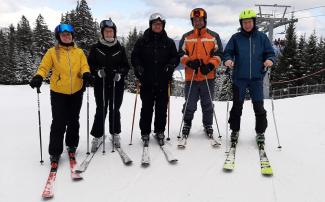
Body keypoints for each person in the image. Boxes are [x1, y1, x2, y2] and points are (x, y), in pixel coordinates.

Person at [29, 23, 92, 163]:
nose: (66, 36)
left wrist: (86, 73)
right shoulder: (52, 52)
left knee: (74, 120)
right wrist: (39, 76)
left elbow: (84, 66)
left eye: (68, 34)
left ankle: (71, 144)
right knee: (59, 121)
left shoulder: (79, 52)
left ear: (72, 36)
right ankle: (55, 152)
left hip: (77, 90)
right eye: (63, 35)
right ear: (59, 37)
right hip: (58, 92)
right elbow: (44, 67)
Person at [223, 9, 275, 146]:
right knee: (237, 107)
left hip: (257, 78)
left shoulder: (262, 37)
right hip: (239, 78)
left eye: (249, 22)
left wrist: (270, 59)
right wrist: (227, 60)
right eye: (244, 22)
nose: (247, 24)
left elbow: (270, 53)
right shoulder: (236, 38)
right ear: (241, 23)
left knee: (259, 107)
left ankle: (260, 133)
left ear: (254, 22)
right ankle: (235, 130)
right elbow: (227, 52)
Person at [131, 13, 179, 147]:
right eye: (155, 24)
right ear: (150, 25)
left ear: (163, 26)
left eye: (160, 24)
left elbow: (175, 57)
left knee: (161, 108)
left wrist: (171, 65)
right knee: (146, 108)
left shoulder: (168, 42)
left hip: (163, 80)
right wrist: (138, 66)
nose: (157, 26)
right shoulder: (142, 41)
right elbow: (135, 56)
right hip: (146, 80)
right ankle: (145, 132)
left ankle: (160, 131)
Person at [178, 8, 223, 139]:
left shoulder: (213, 36)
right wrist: (189, 62)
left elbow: (219, 54)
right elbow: (181, 54)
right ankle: (187, 123)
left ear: (205, 20)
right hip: (191, 76)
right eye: (195, 20)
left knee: (207, 103)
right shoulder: (186, 37)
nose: (198, 22)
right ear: (192, 21)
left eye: (200, 20)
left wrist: (210, 65)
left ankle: (208, 124)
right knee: (190, 103)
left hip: (207, 76)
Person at [87, 18, 130, 151]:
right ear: (102, 33)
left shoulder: (120, 48)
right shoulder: (96, 48)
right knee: (101, 109)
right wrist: (97, 71)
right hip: (101, 84)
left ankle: (115, 133)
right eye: (106, 31)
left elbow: (126, 66)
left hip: (116, 84)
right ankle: (98, 135)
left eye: (111, 31)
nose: (109, 34)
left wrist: (120, 73)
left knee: (115, 109)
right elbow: (90, 64)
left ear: (114, 33)